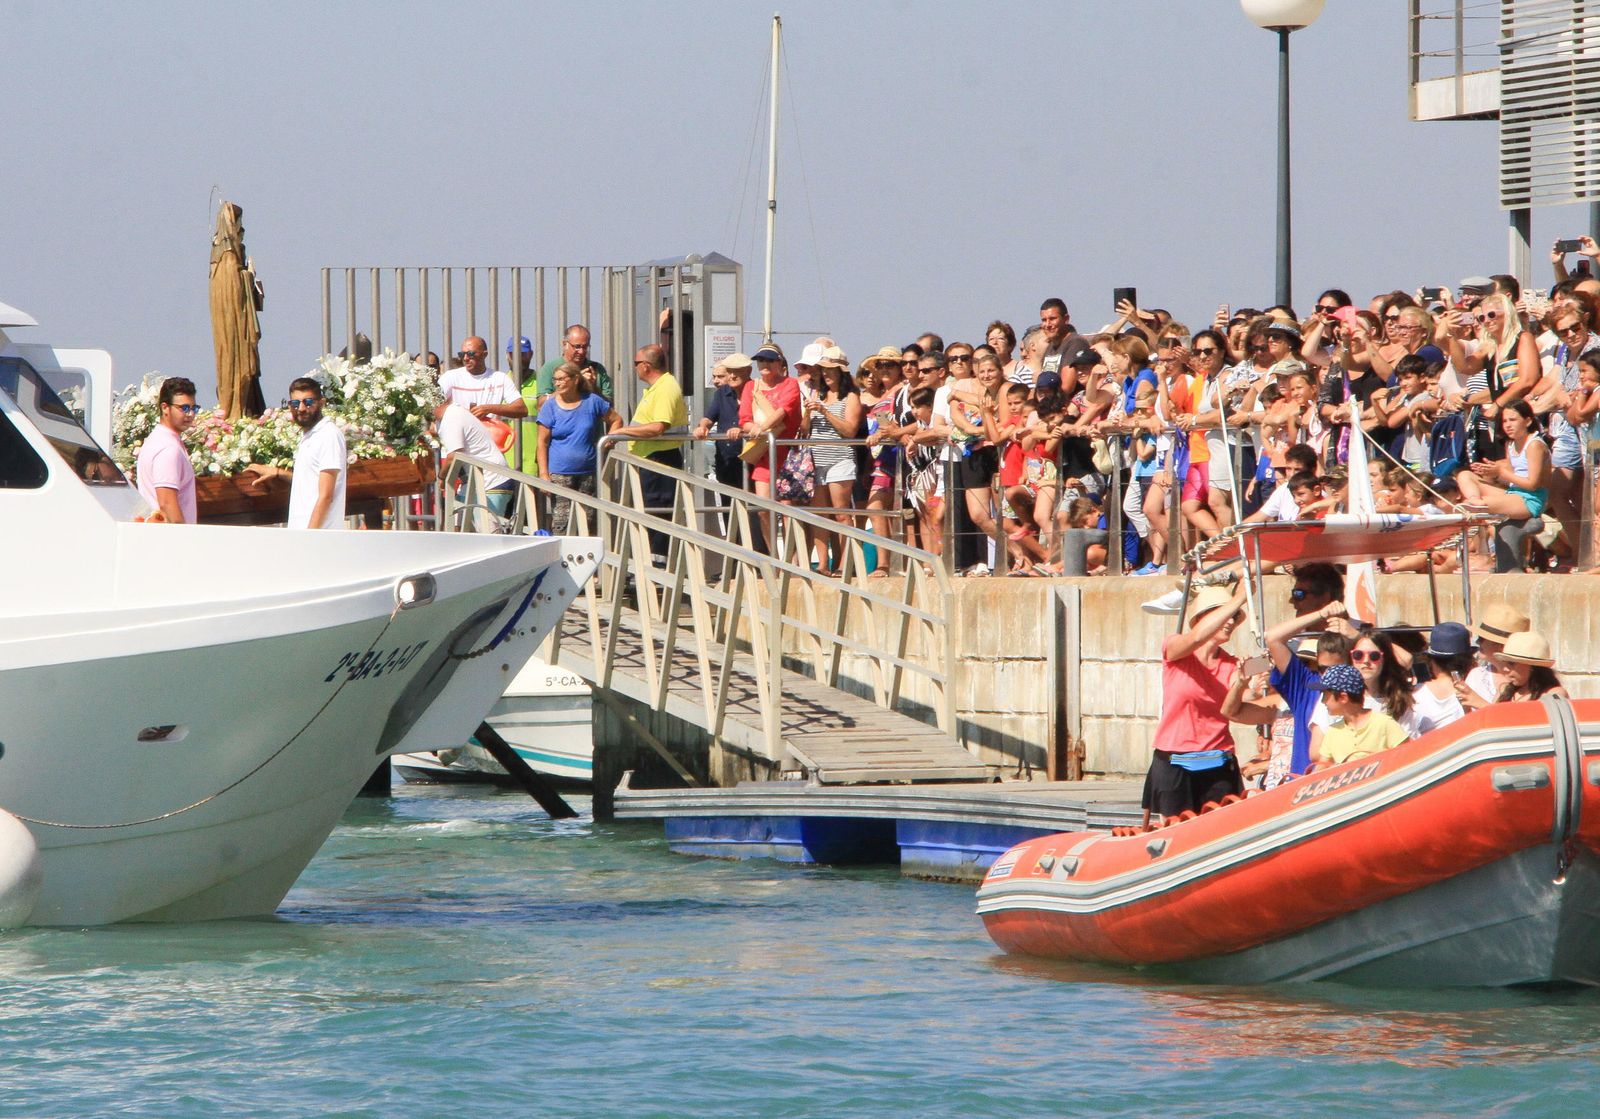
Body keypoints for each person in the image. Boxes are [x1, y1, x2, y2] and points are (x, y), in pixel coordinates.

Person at [1142, 582, 1250, 822]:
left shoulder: (1232, 664)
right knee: (1174, 830)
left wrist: (1249, 683)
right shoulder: (1176, 648)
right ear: (1202, 618)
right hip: (1174, 761)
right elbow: (1197, 637)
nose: (1230, 622)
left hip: (1217, 761)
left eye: (1234, 617)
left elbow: (1243, 703)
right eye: (1224, 615)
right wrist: (1239, 599)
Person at [613, 344, 688, 556]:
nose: (634, 367)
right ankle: (650, 562)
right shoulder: (659, 387)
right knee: (649, 513)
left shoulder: (665, 388)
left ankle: (658, 566)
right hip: (650, 460)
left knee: (657, 515)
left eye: (636, 363)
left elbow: (657, 427)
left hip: (659, 462)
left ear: (646, 366)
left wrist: (622, 431)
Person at [804, 347, 863, 574]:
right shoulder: (817, 395)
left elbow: (850, 430)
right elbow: (804, 430)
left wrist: (825, 412)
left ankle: (845, 563)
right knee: (819, 514)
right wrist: (808, 412)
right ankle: (822, 564)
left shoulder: (851, 397)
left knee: (841, 513)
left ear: (841, 372)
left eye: (830, 369)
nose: (826, 373)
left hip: (840, 459)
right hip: (817, 461)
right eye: (823, 369)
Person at [434, 397, 517, 523]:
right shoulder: (452, 414)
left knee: (487, 532)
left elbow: (454, 455)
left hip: (491, 481)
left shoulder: (451, 417)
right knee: (457, 525)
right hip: (473, 483)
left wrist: (441, 477)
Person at [1311, 664, 1409, 769]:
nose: (1323, 701)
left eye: (1325, 696)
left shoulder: (1384, 724)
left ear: (1343, 698)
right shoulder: (1332, 732)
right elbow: (1321, 770)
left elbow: (1408, 755)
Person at [136, 376, 199, 524]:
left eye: (193, 408)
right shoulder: (168, 448)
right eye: (184, 408)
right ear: (165, 408)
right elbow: (167, 503)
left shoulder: (159, 440)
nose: (190, 414)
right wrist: (184, 535)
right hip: (170, 535)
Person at [285, 378, 346, 529]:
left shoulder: (328, 435)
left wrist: (310, 536)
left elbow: (326, 495)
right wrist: (277, 473)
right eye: (295, 403)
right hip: (301, 532)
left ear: (321, 403)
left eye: (308, 402)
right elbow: (310, 479)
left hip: (319, 535)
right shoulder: (310, 435)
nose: (301, 408)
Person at [695, 351, 753, 494]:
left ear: (748, 371)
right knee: (728, 504)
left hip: (752, 460)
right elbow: (709, 417)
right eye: (730, 371)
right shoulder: (721, 393)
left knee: (754, 504)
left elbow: (764, 422)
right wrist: (702, 427)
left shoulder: (757, 391)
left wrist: (742, 430)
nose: (732, 375)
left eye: (736, 371)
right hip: (726, 460)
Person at [439, 336, 528, 422]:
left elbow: (522, 409)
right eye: (462, 354)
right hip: (459, 431)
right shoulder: (450, 377)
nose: (465, 358)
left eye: (471, 354)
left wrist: (488, 409)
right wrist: (459, 414)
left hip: (489, 431)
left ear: (484, 354)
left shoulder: (500, 378)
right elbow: (435, 408)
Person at [533, 324, 613, 402]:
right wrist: (570, 385)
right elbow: (541, 404)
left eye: (585, 347)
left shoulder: (597, 369)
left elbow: (609, 405)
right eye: (577, 346)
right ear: (565, 344)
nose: (581, 351)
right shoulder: (550, 368)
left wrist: (593, 388)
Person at [1488, 631, 1567, 702]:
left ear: (1532, 667)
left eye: (1511, 663)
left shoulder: (1553, 694)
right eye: (1504, 663)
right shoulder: (1503, 692)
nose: (1505, 669)